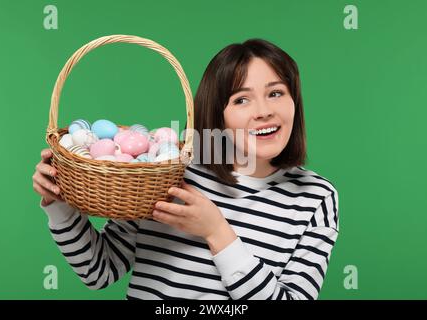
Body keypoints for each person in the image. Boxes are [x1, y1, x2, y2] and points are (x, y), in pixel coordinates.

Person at [32, 39, 339, 300]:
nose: (264, 112)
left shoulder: (316, 198)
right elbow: (99, 271)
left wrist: (216, 231)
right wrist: (60, 205)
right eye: (241, 99)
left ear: (293, 101)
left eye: (276, 93)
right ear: (218, 114)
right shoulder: (169, 171)